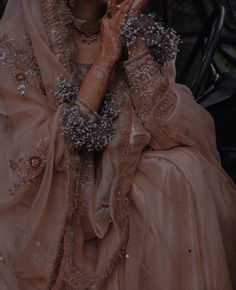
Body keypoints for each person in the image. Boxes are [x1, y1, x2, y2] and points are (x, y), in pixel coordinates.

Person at [0, 0, 236, 289]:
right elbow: (36, 149)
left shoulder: (136, 27)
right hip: (59, 191)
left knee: (180, 170)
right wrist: (104, 61)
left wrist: (131, 41)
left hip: (120, 167)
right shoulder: (26, 31)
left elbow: (167, 130)